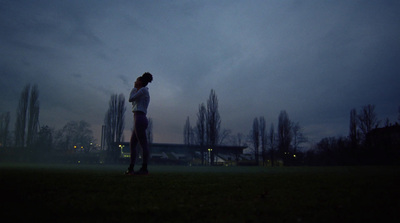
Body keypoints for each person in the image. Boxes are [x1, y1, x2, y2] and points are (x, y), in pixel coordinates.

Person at [125, 72, 153, 175]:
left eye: (136, 80)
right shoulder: (141, 91)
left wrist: (133, 88)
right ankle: (131, 168)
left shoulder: (143, 90)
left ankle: (144, 168)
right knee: (133, 144)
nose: (134, 82)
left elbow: (130, 99)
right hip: (138, 118)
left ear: (140, 82)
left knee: (143, 144)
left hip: (140, 118)